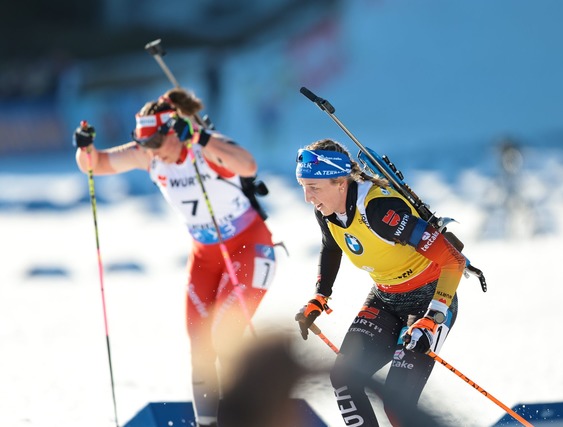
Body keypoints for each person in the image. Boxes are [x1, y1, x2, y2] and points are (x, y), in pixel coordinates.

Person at [73, 88, 277, 427]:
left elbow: (248, 164)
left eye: (155, 143)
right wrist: (85, 147)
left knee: (225, 339)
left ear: (173, 132)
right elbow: (95, 165)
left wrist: (202, 138)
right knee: (200, 347)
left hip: (247, 250)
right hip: (205, 257)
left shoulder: (203, 146)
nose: (150, 151)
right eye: (145, 144)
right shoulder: (149, 154)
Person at [294, 139, 467, 427]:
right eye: (303, 186)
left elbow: (453, 260)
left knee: (397, 406)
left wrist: (433, 318)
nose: (307, 197)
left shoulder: (380, 211)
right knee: (345, 380)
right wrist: (320, 297)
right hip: (385, 298)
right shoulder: (327, 211)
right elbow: (332, 247)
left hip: (429, 300)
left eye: (313, 187)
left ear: (340, 183)